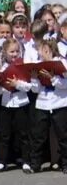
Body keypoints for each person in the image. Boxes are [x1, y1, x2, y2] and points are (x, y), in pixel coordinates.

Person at [0, 39, 33, 173]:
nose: (15, 54)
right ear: (5, 53)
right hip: (6, 103)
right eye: (11, 51)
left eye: (17, 51)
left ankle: (26, 161)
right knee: (4, 134)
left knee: (23, 134)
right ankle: (2, 161)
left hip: (21, 103)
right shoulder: (2, 67)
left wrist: (17, 84)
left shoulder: (23, 66)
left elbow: (28, 87)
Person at [29, 39, 67, 173]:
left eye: (42, 51)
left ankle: (65, 163)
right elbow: (35, 90)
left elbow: (65, 85)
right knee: (38, 135)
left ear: (49, 50)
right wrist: (34, 78)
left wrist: (53, 77)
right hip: (43, 102)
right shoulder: (39, 64)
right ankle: (35, 164)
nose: (40, 54)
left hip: (60, 103)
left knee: (63, 135)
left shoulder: (62, 62)